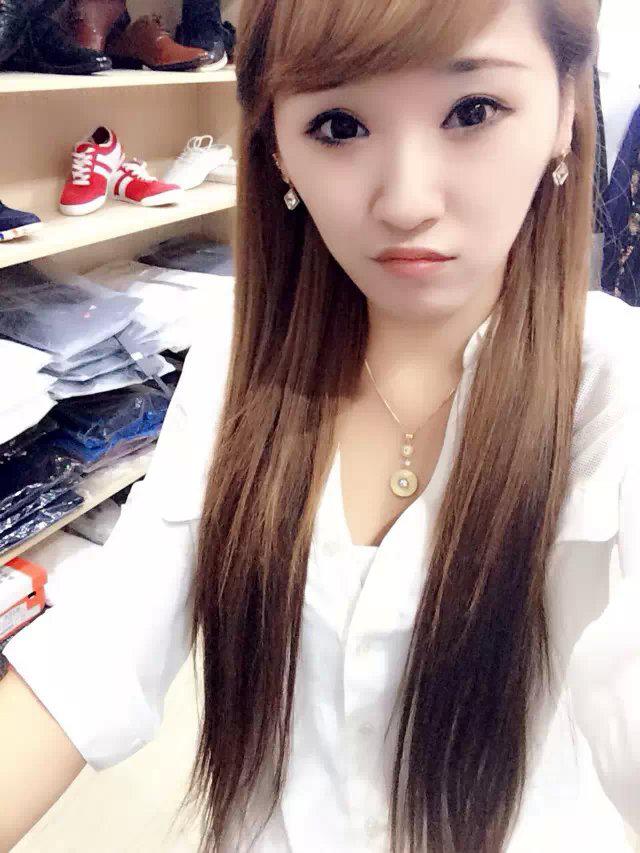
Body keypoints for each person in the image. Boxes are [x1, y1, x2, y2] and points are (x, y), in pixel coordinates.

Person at [1, 0, 639, 850]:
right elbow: (109, 635)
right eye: (339, 125)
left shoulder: (616, 388)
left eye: (473, 111)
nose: (407, 202)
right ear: (275, 146)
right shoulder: (237, 363)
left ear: (565, 110)